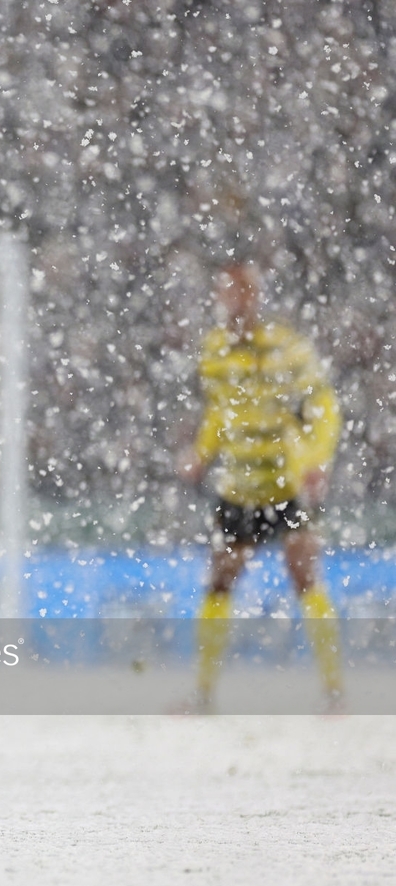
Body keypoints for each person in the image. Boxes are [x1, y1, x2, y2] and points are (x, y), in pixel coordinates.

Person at [179, 261, 343, 712]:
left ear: (257, 297)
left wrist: (315, 458)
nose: (236, 301)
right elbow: (219, 410)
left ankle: (334, 692)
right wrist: (201, 451)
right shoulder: (212, 352)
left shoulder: (286, 348)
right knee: (220, 580)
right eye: (229, 293)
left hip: (286, 481)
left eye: (244, 292)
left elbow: (323, 403)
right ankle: (204, 693)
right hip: (239, 485)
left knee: (305, 573)